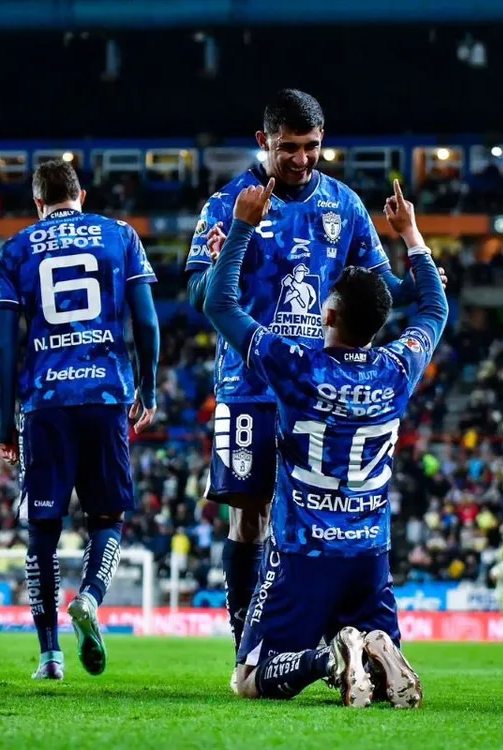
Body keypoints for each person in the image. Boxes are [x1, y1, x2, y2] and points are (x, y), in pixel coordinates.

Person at [185, 89, 446, 679]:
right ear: (264, 143)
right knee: (249, 516)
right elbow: (204, 297)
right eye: (289, 148)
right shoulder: (229, 203)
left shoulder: (346, 205)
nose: (302, 159)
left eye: (312, 147)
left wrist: (421, 279)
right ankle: (246, 640)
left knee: (316, 514)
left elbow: (378, 292)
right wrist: (240, 239)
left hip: (321, 388)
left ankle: (329, 645)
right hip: (250, 384)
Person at [0, 159, 159, 681]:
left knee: (42, 529)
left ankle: (49, 655)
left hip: (44, 404)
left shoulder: (15, 248)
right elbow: (147, 321)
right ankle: (89, 597)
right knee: (107, 519)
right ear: (81, 194)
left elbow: (2, 345)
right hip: (106, 395)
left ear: (37, 203)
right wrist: (147, 387)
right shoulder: (120, 236)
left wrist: (4, 421)